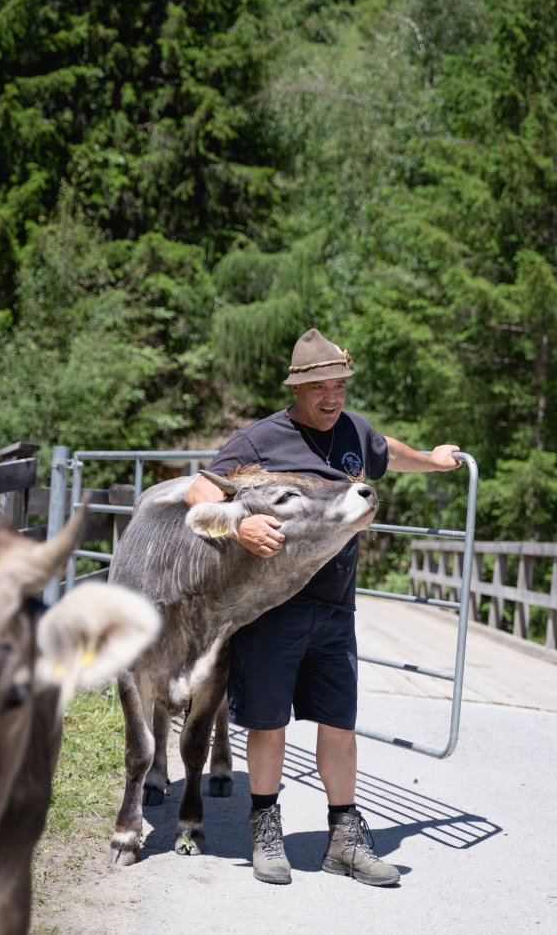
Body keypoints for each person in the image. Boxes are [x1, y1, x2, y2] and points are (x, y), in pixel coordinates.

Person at [185, 328, 461, 887]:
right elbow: (199, 492)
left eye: (339, 385)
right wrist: (240, 523)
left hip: (337, 606)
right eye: (321, 389)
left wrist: (431, 460)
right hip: (273, 605)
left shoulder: (355, 429)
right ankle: (266, 829)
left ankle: (344, 840)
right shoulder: (261, 440)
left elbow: (387, 452)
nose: (333, 397)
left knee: (339, 723)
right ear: (298, 390)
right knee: (267, 722)